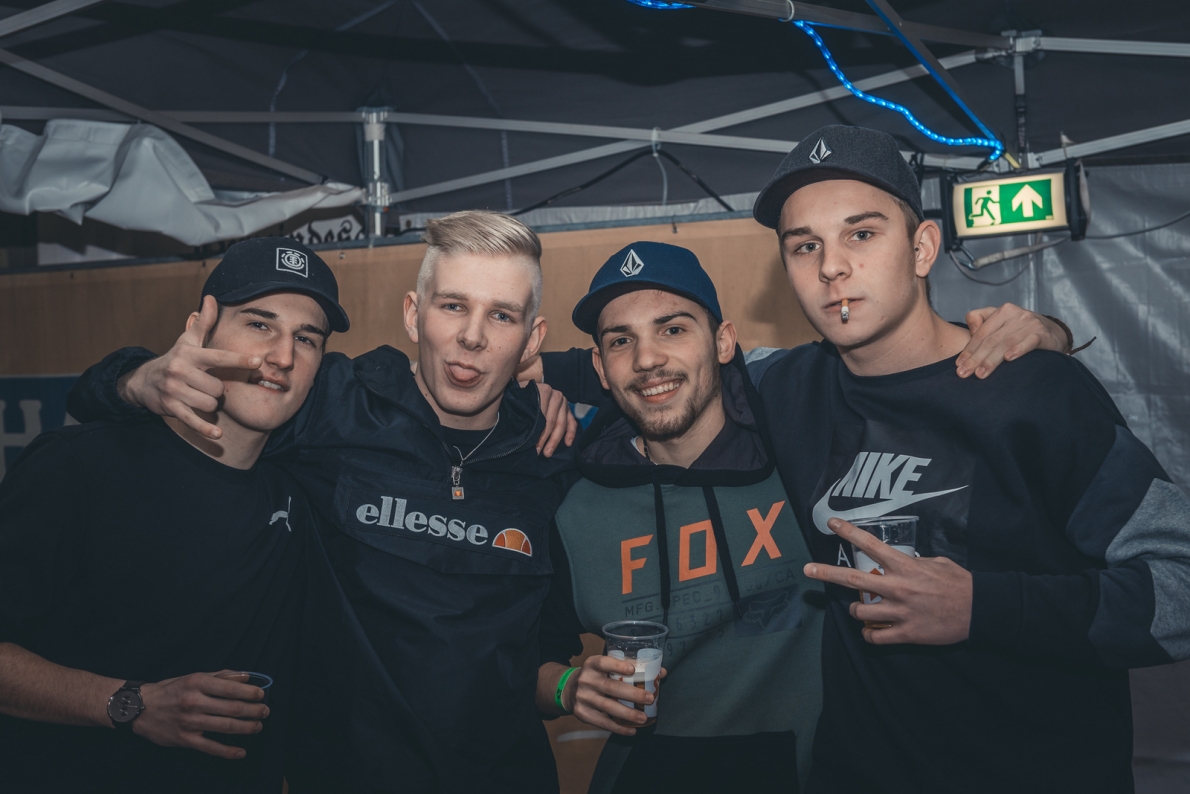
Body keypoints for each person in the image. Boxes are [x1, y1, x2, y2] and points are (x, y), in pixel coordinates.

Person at [66, 211, 578, 793]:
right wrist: (137, 380)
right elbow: (99, 400)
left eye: (502, 315)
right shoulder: (331, 403)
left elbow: (547, 651)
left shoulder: (550, 450)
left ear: (532, 338)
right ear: (414, 314)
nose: (473, 336)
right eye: (453, 306)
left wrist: (569, 687)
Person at [747, 124, 1190, 793]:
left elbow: (1180, 586)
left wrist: (983, 607)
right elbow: (647, 373)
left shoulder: (1034, 390)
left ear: (923, 247)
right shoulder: (785, 388)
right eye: (804, 246)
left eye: (861, 234)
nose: (831, 266)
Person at [0, 237, 348, 793]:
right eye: (259, 324)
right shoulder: (77, 467)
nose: (283, 356)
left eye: (306, 338)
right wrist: (130, 703)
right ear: (200, 330)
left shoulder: (301, 492)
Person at [533, 242, 826, 792]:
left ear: (723, 341)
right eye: (621, 340)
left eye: (672, 329)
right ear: (600, 368)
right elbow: (521, 662)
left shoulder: (798, 459)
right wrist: (569, 687)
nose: (647, 360)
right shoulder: (574, 508)